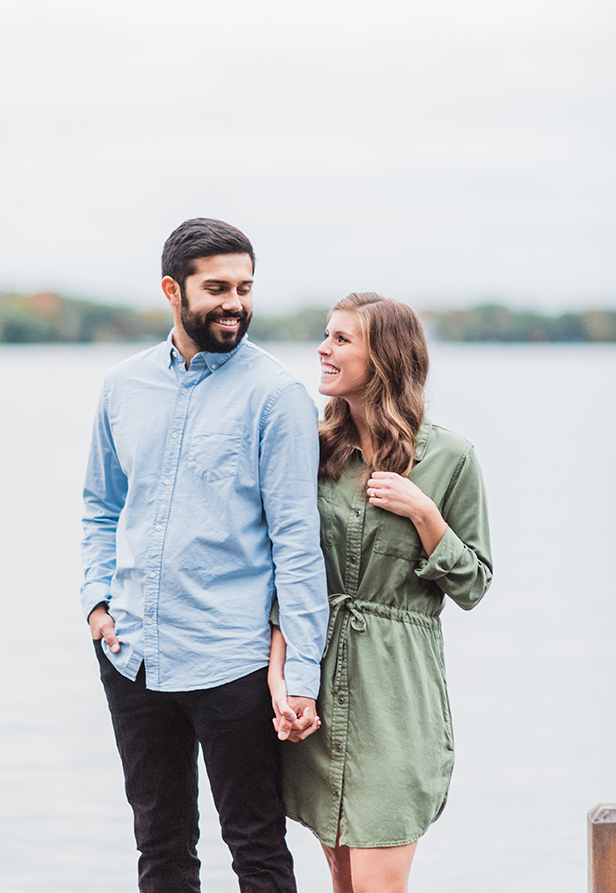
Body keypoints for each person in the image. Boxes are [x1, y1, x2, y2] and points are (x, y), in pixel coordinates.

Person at [82, 218, 329, 893]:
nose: (235, 303)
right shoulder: (122, 387)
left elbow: (297, 546)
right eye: (216, 287)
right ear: (173, 290)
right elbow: (101, 508)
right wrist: (97, 608)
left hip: (233, 663)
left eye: (245, 287)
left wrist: (301, 673)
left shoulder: (276, 398)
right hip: (130, 655)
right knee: (159, 850)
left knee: (255, 848)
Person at [268, 292, 493, 893]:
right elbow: (284, 572)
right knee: (341, 880)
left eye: (342, 339)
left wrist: (425, 516)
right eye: (326, 334)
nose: (323, 348)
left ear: (385, 357)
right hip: (316, 685)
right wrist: (281, 678)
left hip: (397, 694)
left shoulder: (450, 457)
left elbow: (473, 585)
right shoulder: (312, 450)